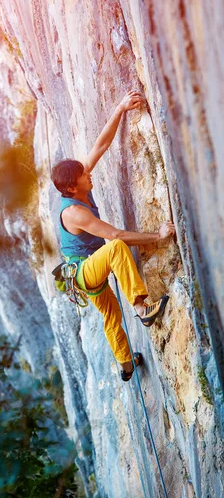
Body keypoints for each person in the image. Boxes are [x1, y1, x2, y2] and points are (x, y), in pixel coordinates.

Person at [51, 91, 176, 381]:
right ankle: (143, 308)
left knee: (111, 317)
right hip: (83, 271)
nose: (88, 175)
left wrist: (120, 108)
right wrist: (157, 236)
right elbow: (116, 235)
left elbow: (101, 145)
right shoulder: (75, 212)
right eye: (84, 176)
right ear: (71, 188)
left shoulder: (77, 184)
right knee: (117, 247)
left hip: (80, 273)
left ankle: (125, 363)